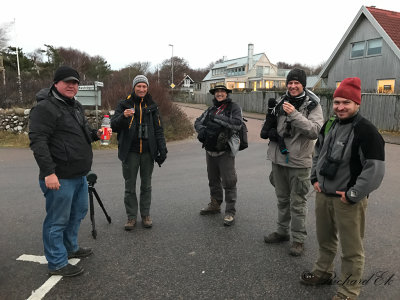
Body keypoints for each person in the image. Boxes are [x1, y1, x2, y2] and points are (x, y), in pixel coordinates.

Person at [300, 77, 385, 300]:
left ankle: (348, 290)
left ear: (357, 103)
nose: (340, 107)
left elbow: (374, 169)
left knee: (352, 250)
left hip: (348, 200)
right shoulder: (330, 124)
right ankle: (323, 272)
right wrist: (314, 178)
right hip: (323, 194)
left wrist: (353, 194)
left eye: (346, 102)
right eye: (337, 102)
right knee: (325, 241)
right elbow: (318, 152)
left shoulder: (367, 131)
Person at [29, 66, 101, 277]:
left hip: (78, 174)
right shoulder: (45, 108)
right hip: (58, 176)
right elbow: (38, 142)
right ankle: (57, 262)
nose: (72, 86)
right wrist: (49, 172)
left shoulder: (75, 106)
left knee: (77, 213)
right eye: (67, 82)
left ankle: (71, 248)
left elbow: (83, 132)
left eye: (75, 82)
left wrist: (96, 134)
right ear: (56, 84)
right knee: (57, 220)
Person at [263, 68, 324, 256]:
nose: (293, 86)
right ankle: (282, 232)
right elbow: (272, 126)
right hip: (278, 159)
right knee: (282, 200)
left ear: (303, 85)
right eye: (290, 83)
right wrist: (270, 130)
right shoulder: (281, 100)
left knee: (298, 203)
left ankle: (298, 240)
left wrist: (295, 115)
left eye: (296, 83)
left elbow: (315, 131)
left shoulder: (313, 105)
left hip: (299, 162)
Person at [111, 75, 167, 231]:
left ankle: (145, 215)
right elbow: (113, 126)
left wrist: (162, 149)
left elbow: (158, 130)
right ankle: (131, 217)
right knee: (129, 187)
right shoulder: (124, 104)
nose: (142, 89)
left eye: (144, 86)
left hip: (148, 152)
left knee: (146, 186)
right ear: (134, 87)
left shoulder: (153, 106)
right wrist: (123, 116)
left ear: (147, 88)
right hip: (130, 152)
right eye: (139, 86)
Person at [194, 85, 243, 226]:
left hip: (225, 150)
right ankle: (215, 205)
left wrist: (217, 118)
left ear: (226, 94)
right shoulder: (211, 109)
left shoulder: (233, 107)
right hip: (210, 150)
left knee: (229, 181)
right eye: (217, 92)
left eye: (222, 92)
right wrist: (202, 130)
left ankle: (230, 211)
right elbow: (198, 121)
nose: (219, 94)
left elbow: (237, 124)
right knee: (213, 179)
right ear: (214, 94)